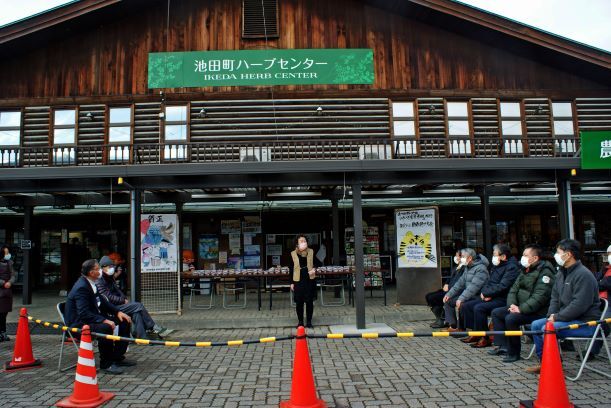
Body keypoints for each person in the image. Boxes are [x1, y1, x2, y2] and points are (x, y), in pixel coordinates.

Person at [526, 239, 601, 374]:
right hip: (566, 319)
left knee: (547, 328)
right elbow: (555, 297)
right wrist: (551, 316)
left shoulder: (584, 275)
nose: (556, 255)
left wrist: (557, 317)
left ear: (569, 254)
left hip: (585, 323)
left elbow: (579, 305)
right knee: (536, 325)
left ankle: (553, 368)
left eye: (558, 252)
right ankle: (546, 363)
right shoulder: (562, 273)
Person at [65, 259, 135, 375]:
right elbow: (83, 313)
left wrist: (117, 312)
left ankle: (117, 357)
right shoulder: (82, 287)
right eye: (98, 269)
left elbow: (102, 302)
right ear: (91, 272)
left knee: (124, 321)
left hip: (90, 319)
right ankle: (106, 364)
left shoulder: (91, 283)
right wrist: (104, 320)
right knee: (105, 328)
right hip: (79, 324)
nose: (101, 271)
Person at [489, 244, 555, 362]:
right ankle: (502, 346)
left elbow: (539, 297)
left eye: (525, 255)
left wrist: (521, 309)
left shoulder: (545, 272)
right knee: (497, 313)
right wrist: (512, 305)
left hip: (538, 311)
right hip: (519, 307)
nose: (522, 257)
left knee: (511, 319)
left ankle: (514, 352)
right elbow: (513, 290)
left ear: (535, 258)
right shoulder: (524, 270)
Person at [96, 256, 172, 339]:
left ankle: (141, 337)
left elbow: (118, 291)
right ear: (103, 268)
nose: (112, 268)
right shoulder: (100, 280)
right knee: (138, 306)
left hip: (118, 304)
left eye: (112, 266)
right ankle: (152, 326)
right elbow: (107, 297)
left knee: (137, 313)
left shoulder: (110, 278)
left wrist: (123, 298)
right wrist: (122, 301)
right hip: (111, 307)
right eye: (109, 267)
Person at [461, 244, 520, 348]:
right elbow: (488, 282)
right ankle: (476, 333)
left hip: (503, 298)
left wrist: (489, 294)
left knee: (479, 308)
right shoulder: (497, 266)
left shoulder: (512, 267)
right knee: (467, 305)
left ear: (503, 256)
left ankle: (485, 337)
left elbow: (503, 286)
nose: (493, 257)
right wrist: (484, 293)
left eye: (495, 254)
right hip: (492, 296)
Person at [442, 248, 489, 332]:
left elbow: (473, 287)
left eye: (463, 256)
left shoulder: (481, 269)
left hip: (479, 295)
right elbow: (460, 283)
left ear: (470, 258)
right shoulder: (468, 267)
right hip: (470, 295)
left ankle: (470, 330)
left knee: (463, 303)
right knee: (449, 301)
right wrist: (449, 294)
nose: (461, 258)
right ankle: (455, 326)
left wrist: (461, 298)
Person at [425, 250, 463, 328]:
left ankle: (443, 320)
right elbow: (450, 278)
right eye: (455, 256)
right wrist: (446, 283)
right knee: (428, 296)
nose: (456, 258)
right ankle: (440, 318)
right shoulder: (455, 267)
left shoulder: (463, 268)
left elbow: (459, 282)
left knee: (434, 297)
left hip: (454, 291)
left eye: (457, 256)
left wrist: (449, 287)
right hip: (448, 289)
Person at [290, 235, 318, 328]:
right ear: (297, 244)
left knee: (309, 301)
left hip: (309, 278)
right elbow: (291, 269)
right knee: (299, 302)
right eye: (301, 241)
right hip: (298, 279)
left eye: (304, 241)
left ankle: (309, 322)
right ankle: (300, 322)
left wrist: (314, 268)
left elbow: (318, 262)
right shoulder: (293, 253)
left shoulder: (311, 251)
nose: (303, 242)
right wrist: (291, 282)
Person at [0, 245, 15, 342]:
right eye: (5, 253)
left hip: (7, 292)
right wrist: (3, 283)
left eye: (8, 252)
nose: (7, 254)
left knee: (4, 314)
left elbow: (13, 275)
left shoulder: (10, 263)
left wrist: (10, 282)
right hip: (1, 290)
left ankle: (3, 332)